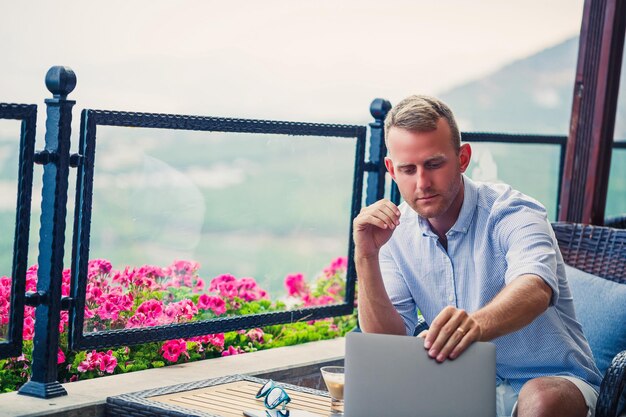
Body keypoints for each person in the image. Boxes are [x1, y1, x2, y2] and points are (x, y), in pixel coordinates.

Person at [353, 95, 602, 417]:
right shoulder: (393, 233)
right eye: (408, 169)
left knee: (543, 401)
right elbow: (389, 342)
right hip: (456, 385)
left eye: (433, 164)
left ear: (462, 157)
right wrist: (366, 255)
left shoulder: (513, 210)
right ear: (391, 170)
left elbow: (536, 287)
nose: (422, 183)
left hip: (553, 381)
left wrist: (474, 326)